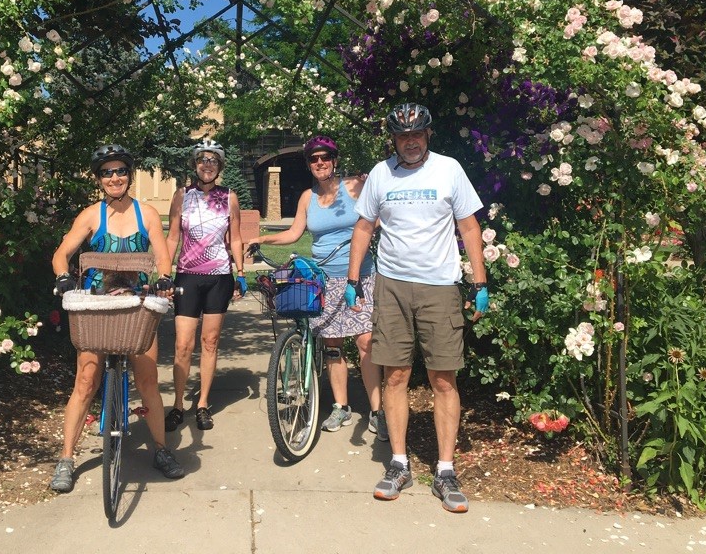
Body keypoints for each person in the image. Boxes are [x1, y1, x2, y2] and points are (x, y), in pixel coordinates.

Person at [345, 103, 489, 513]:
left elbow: (468, 226)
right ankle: (398, 463)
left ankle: (445, 470)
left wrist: (480, 281)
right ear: (394, 138)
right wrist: (354, 280)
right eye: (403, 136)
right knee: (395, 376)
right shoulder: (380, 173)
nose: (410, 142)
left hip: (440, 286)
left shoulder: (449, 169)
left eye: (418, 135)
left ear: (428, 135)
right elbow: (364, 227)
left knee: (444, 379)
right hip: (391, 286)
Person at [49, 144, 184, 492]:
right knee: (85, 380)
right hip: (97, 307)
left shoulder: (148, 213)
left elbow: (162, 253)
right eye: (107, 172)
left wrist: (165, 279)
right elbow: (62, 252)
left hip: (137, 305)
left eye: (120, 171)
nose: (114, 178)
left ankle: (160, 448)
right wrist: (64, 277)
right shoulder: (91, 215)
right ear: (99, 180)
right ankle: (66, 458)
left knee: (148, 380)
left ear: (129, 175)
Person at [246, 135, 386, 439]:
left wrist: (366, 234)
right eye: (313, 159)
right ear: (309, 164)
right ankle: (341, 406)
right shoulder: (307, 198)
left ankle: (377, 411)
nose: (319, 162)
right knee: (332, 345)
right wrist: (263, 238)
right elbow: (295, 233)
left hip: (360, 275)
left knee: (366, 342)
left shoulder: (355, 187)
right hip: (325, 277)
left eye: (325, 157)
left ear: (334, 160)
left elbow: (377, 215)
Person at [164, 139, 246, 432]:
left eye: (212, 160)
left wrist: (241, 271)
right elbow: (173, 236)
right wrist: (164, 270)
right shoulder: (182, 195)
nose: (207, 165)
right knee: (182, 344)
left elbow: (235, 237)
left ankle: (202, 405)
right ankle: (177, 405)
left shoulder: (229, 197)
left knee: (209, 342)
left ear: (219, 166)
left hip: (219, 277)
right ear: (195, 165)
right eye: (202, 160)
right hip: (188, 275)